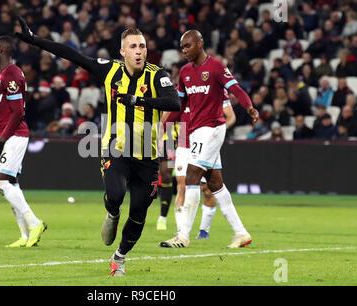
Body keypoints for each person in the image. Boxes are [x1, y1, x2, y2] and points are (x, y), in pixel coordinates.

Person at [16, 18, 180, 276]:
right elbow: (71, 54)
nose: (139, 51)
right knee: (115, 194)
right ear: (122, 52)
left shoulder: (157, 75)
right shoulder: (109, 70)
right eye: (133, 47)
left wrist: (138, 100)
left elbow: (174, 103)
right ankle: (112, 213)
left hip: (147, 156)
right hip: (115, 148)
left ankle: (120, 257)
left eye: (142, 46)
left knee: (138, 213)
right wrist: (35, 39)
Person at [160, 30, 258, 249]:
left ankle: (183, 235)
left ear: (200, 44)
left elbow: (236, 89)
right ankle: (241, 233)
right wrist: (162, 128)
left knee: (191, 176)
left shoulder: (216, 67)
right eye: (182, 47)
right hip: (195, 131)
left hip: (212, 128)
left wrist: (249, 106)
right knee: (215, 183)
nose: (184, 51)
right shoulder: (185, 72)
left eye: (188, 46)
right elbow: (181, 106)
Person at [0, 35, 47, 248]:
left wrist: (3, 139)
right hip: (5, 134)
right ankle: (24, 235)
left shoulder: (11, 74)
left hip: (14, 135)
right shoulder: (3, 74)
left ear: (1, 50)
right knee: (10, 184)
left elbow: (18, 112)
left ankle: (35, 223)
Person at [163, 92, 237, 241]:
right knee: (182, 186)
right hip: (184, 144)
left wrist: (216, 134)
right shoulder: (181, 90)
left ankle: (204, 230)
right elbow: (167, 114)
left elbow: (231, 117)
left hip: (207, 145)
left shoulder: (213, 90)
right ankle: (181, 231)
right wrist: (162, 132)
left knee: (208, 190)